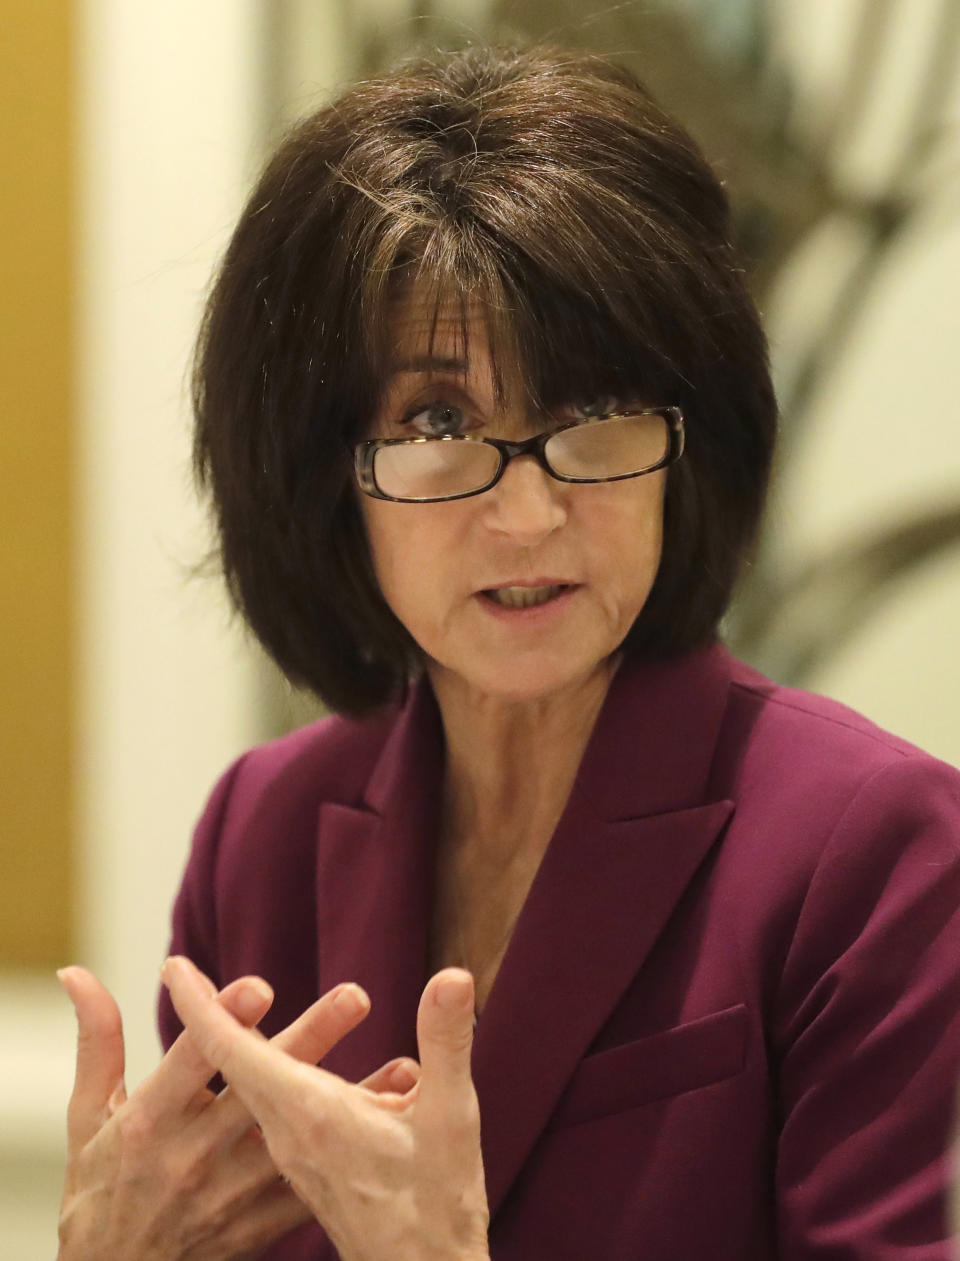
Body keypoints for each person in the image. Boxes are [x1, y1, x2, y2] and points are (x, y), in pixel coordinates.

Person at [56, 43, 960, 1261]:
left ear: (691, 440)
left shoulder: (874, 846)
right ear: (330, 476)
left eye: (591, 415)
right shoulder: (263, 831)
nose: (529, 515)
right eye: (438, 421)